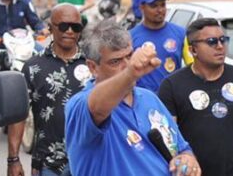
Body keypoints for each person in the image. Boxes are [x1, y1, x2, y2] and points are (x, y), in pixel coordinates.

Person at [64, 20, 201, 176]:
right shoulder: (81, 104)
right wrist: (130, 73)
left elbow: (182, 148)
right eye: (115, 61)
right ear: (93, 67)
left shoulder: (149, 98)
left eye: (130, 56)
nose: (127, 64)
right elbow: (97, 108)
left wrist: (187, 159)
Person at [158, 18, 233, 176]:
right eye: (211, 41)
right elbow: (168, 140)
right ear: (193, 50)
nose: (220, 46)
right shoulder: (171, 85)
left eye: (223, 40)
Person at [8, 4, 90, 176]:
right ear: (50, 28)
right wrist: (13, 159)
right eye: (63, 26)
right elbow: (19, 116)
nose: (69, 31)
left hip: (90, 161)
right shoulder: (33, 67)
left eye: (75, 27)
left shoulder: (93, 64)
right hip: (48, 164)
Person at [129, 0, 187, 93]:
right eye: (154, 6)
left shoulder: (181, 34)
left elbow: (192, 66)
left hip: (172, 100)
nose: (160, 10)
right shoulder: (130, 37)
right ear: (142, 7)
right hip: (143, 100)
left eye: (163, 5)